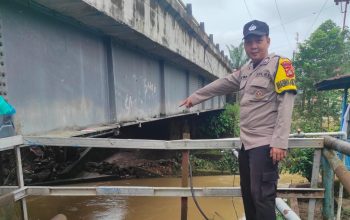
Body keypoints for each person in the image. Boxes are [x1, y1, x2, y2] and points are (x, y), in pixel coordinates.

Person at [180, 20, 297, 220]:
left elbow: (286, 103)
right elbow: (222, 84)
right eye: (249, 42)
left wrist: (279, 142)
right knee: (249, 196)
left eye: (258, 40)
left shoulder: (280, 64)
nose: (253, 46)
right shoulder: (246, 70)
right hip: (246, 145)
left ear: (267, 40)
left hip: (265, 144)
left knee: (262, 197)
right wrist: (195, 98)